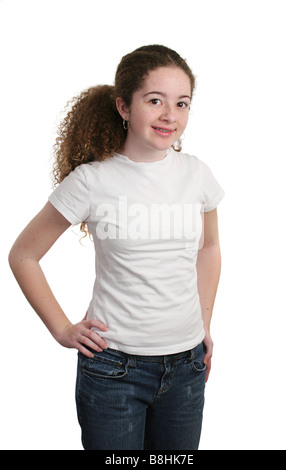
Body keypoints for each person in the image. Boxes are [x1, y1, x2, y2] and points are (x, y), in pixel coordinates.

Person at [8, 45, 225, 450]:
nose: (170, 116)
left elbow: (208, 248)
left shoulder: (197, 174)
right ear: (124, 106)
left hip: (187, 367)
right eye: (155, 101)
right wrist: (61, 328)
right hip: (114, 370)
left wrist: (204, 324)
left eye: (182, 103)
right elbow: (23, 255)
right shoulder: (92, 181)